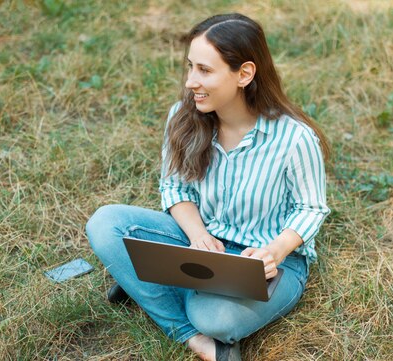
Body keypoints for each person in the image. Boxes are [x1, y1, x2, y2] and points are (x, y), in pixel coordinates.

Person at [86, 13, 331, 361]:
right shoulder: (182, 116)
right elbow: (174, 188)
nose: (190, 82)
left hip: (270, 261)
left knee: (215, 319)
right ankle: (190, 335)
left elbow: (311, 209)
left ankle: (150, 284)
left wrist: (274, 251)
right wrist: (198, 235)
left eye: (204, 70)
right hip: (202, 242)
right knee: (105, 223)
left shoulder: (294, 138)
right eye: (190, 67)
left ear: (244, 74)